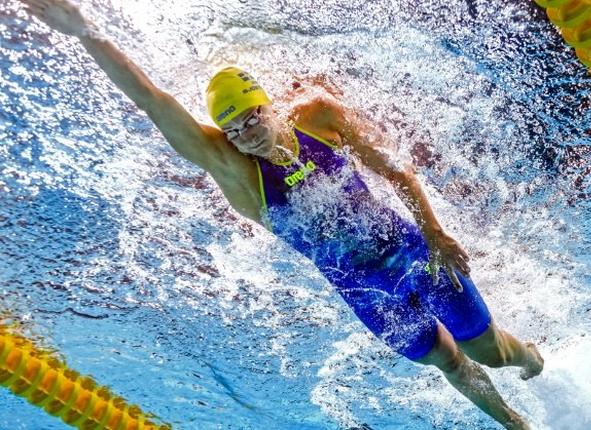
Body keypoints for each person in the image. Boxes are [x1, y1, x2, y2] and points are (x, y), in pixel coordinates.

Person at [20, 1, 544, 428]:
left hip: (415, 255)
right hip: (365, 293)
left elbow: (398, 174)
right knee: (445, 361)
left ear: (268, 105)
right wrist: (87, 32)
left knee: (490, 352)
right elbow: (154, 102)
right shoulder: (241, 176)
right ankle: (513, 425)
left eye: (253, 118)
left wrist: (435, 233)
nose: (248, 134)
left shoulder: (319, 118)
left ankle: (530, 358)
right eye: (235, 130)